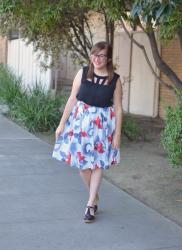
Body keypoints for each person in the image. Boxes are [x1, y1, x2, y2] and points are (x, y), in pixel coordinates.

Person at [52, 41, 123, 223]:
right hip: (79, 126)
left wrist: (117, 135)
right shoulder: (83, 73)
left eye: (101, 56)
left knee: (98, 164)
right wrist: (61, 124)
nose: (97, 59)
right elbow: (72, 100)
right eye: (94, 54)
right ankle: (95, 194)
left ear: (108, 59)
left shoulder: (114, 80)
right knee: (83, 166)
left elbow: (118, 108)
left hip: (103, 127)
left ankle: (90, 204)